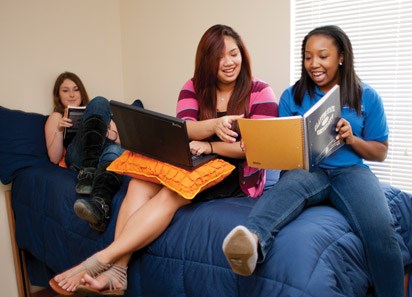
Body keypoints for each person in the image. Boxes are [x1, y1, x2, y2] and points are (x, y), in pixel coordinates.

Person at [48, 24, 278, 295]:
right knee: (138, 182)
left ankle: (102, 260)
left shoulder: (260, 91)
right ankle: (118, 273)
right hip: (193, 156)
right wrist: (213, 126)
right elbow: (184, 130)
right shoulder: (193, 87)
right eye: (219, 56)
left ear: (243, 54)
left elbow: (256, 149)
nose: (228, 62)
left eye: (234, 53)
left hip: (235, 169)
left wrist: (210, 144)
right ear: (207, 61)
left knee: (171, 192)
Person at [222, 25, 404, 297]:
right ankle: (250, 241)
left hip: (350, 171)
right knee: (288, 186)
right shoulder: (292, 96)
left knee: (383, 233)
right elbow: (279, 152)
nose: (314, 64)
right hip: (306, 171)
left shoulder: (366, 96)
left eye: (322, 56)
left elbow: (380, 151)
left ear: (341, 57)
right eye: (308, 57)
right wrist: (261, 145)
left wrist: (352, 139)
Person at [45, 71, 125, 232]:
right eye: (65, 90)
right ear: (58, 95)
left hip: (103, 155)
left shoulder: (98, 111)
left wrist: (107, 132)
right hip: (78, 159)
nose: (72, 95)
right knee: (100, 101)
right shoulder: (56, 116)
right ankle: (88, 171)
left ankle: (100, 206)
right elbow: (54, 158)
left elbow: (121, 142)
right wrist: (60, 129)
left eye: (76, 89)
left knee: (115, 150)